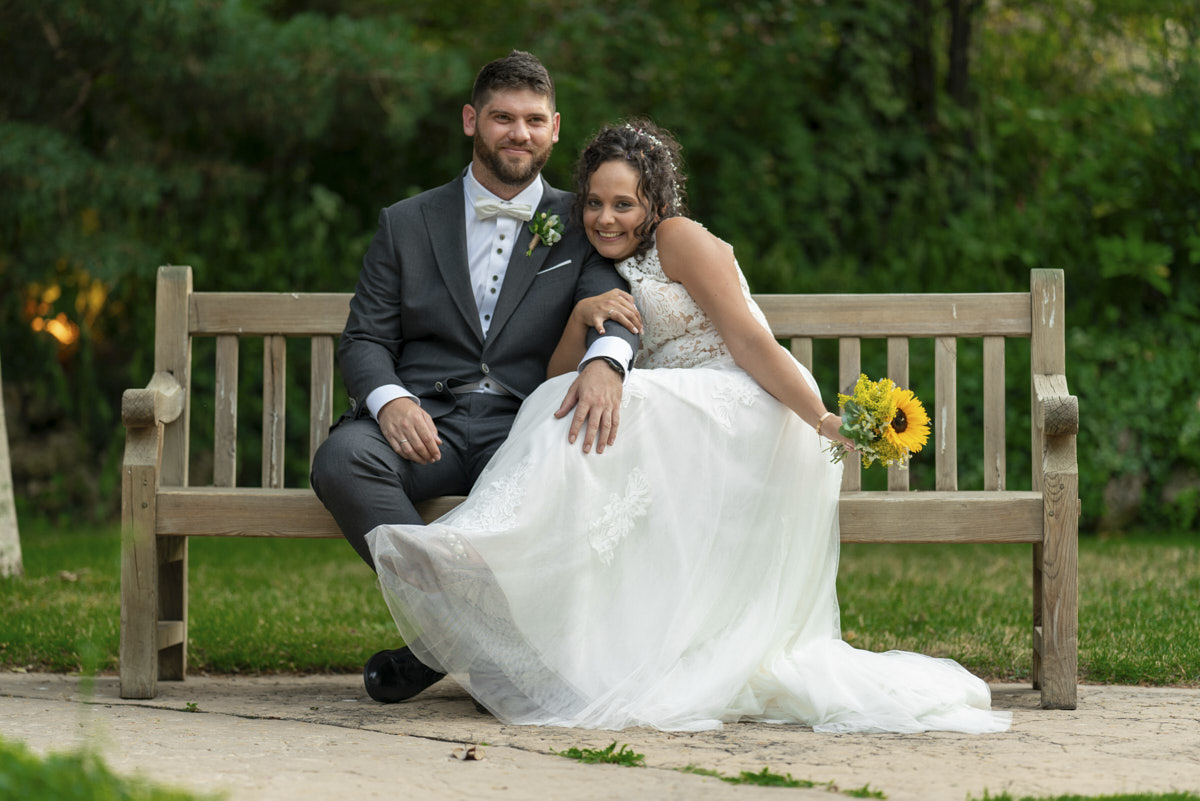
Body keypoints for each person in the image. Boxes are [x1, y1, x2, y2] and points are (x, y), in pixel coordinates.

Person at [365, 120, 1012, 734]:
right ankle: (496, 561)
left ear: (654, 203)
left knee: (628, 402)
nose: (604, 218)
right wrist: (581, 314)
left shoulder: (680, 240)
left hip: (747, 406)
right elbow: (552, 380)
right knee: (574, 398)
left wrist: (819, 417)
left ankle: (485, 547)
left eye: (624, 204)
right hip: (679, 413)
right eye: (593, 202)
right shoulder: (594, 261)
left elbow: (752, 342)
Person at [310, 52, 639, 704]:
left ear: (554, 128)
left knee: (586, 474)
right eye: (502, 118)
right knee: (343, 460)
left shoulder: (585, 220)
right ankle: (484, 644)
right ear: (472, 121)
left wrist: (605, 363)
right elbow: (366, 338)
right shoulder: (407, 222)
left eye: (533, 120)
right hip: (422, 423)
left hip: (523, 428)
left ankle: (438, 641)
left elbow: (618, 309)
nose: (518, 132)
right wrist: (392, 401)